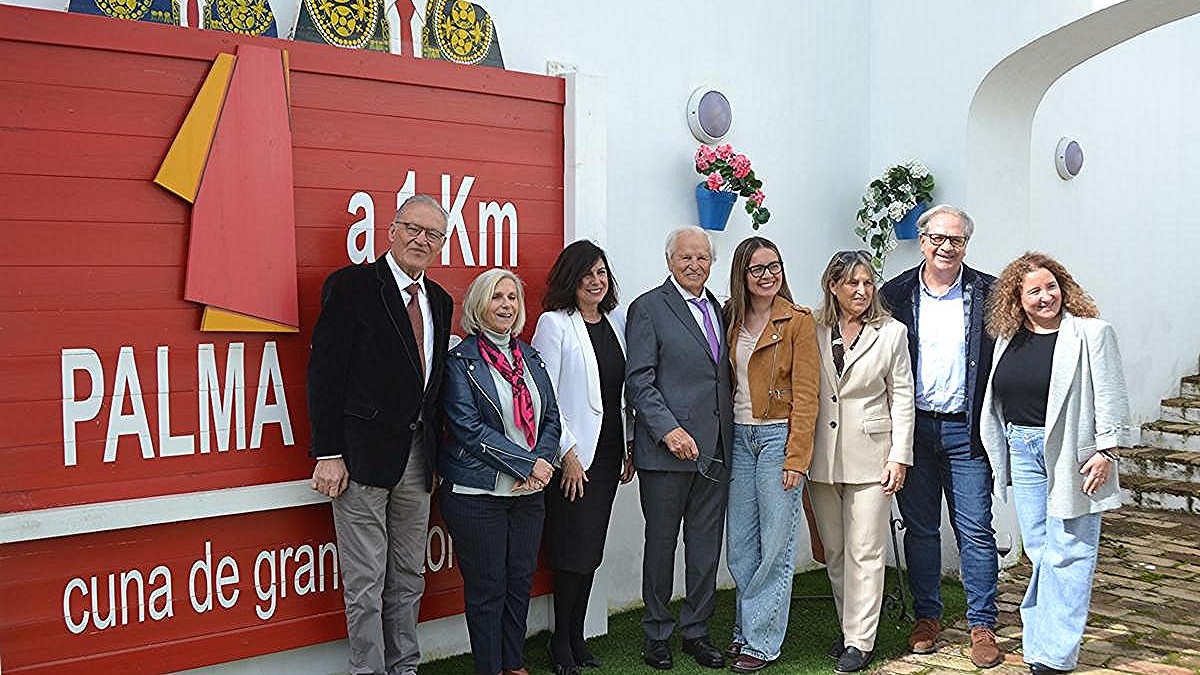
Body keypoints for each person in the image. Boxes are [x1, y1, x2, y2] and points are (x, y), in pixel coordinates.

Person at [307, 194, 453, 675]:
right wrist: (328, 452)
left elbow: (432, 387)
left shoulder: (441, 301)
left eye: (432, 234)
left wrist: (434, 461)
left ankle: (404, 667)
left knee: (409, 574)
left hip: (417, 459)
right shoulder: (351, 287)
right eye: (413, 228)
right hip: (360, 458)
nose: (421, 239)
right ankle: (367, 670)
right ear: (391, 229)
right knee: (366, 579)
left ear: (442, 245)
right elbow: (325, 374)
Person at [981, 252, 1128, 675]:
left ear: (1063, 287)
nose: (1046, 297)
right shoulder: (1008, 337)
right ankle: (1041, 639)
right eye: (1034, 291)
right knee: (1041, 551)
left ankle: (1055, 655)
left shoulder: (1091, 333)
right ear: (1017, 298)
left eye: (1051, 287)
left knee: (1072, 551)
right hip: (1022, 448)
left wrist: (1107, 452)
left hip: (1074, 453)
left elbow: (1112, 396)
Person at [879, 205, 1002, 667]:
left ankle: (982, 624)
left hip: (965, 431)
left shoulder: (990, 293)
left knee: (974, 528)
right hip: (914, 430)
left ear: (966, 244)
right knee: (922, 529)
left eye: (956, 240)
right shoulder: (897, 293)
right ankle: (928, 617)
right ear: (922, 238)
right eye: (938, 238)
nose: (946, 247)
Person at [438, 268, 564, 675]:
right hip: (478, 495)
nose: (506, 305)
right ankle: (489, 668)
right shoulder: (461, 361)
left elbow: (551, 419)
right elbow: (467, 429)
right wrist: (528, 464)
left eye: (512, 297)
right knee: (487, 588)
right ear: (479, 305)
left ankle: (513, 664)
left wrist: (540, 467)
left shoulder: (529, 355)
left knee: (519, 582)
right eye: (496, 297)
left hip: (529, 494)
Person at [625, 226, 733, 671]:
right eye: (685, 258)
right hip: (667, 454)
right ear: (669, 260)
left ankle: (697, 631)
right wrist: (668, 431)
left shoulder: (719, 309)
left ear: (711, 262)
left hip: (716, 450)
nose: (694, 266)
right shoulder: (648, 308)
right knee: (662, 544)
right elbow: (639, 381)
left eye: (702, 258)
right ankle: (656, 631)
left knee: (706, 547)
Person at [531, 241, 636, 675]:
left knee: (590, 550)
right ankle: (561, 645)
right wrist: (567, 454)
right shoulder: (554, 325)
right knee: (571, 551)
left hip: (610, 453)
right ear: (570, 279)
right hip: (574, 458)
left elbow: (620, 394)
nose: (596, 281)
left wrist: (628, 445)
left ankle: (576, 637)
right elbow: (544, 398)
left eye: (601, 273)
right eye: (586, 274)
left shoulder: (615, 321)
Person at [810, 250, 914, 674]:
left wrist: (900, 457)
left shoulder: (892, 333)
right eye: (852, 282)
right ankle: (848, 626)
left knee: (866, 551)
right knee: (835, 552)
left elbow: (903, 396)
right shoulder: (811, 329)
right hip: (821, 459)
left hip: (873, 456)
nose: (862, 290)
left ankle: (860, 640)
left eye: (867, 282)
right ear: (833, 287)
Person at [720, 236, 820, 674]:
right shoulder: (728, 317)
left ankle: (761, 642)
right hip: (739, 438)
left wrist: (797, 458)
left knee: (775, 544)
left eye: (774, 266)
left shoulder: (797, 321)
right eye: (758, 268)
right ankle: (745, 630)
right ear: (742, 274)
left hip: (778, 437)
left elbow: (807, 394)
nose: (768, 275)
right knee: (741, 544)